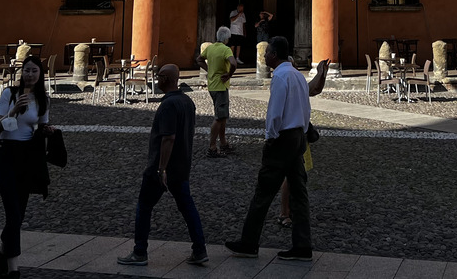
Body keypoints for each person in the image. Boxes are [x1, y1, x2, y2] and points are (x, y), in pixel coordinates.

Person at [226, 36, 312, 262]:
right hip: (298, 137)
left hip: (282, 139)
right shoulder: (298, 75)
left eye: (266, 53)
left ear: (273, 55)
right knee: (299, 193)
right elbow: (306, 108)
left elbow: (274, 113)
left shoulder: (281, 77)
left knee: (263, 192)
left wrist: (270, 138)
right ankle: (303, 245)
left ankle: (248, 242)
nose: (264, 56)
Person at [117, 64, 209, 267]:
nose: (156, 79)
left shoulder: (168, 105)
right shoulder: (187, 101)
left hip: (163, 168)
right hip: (182, 166)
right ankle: (200, 249)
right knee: (187, 207)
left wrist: (161, 169)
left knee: (144, 206)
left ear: (166, 79)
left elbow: (168, 138)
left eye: (159, 76)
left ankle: (140, 251)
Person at [0, 54, 53, 279]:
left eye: (34, 71)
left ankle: (1, 255)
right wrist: (13, 110)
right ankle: (13, 269)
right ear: (21, 73)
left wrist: (47, 134)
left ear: (40, 74)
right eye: (26, 70)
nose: (29, 74)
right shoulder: (10, 93)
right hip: (5, 154)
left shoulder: (43, 98)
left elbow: (42, 127)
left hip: (28, 157)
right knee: (13, 214)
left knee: (19, 213)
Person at [278, 58, 329, 228]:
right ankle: (285, 212)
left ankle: (291, 209)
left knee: (299, 175)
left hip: (301, 136)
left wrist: (321, 74)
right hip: (288, 136)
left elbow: (314, 88)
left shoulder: (297, 81)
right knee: (290, 176)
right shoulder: (284, 82)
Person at [196, 27, 238, 157]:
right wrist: (229, 74)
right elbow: (234, 63)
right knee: (219, 117)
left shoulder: (210, 48)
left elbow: (198, 59)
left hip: (212, 86)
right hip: (221, 86)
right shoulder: (225, 49)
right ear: (226, 38)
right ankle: (212, 146)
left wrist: (209, 69)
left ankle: (223, 143)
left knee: (222, 116)